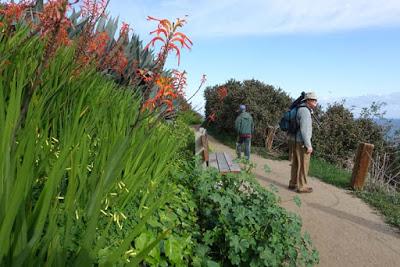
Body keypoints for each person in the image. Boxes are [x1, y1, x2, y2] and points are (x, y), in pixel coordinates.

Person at [288, 92, 318, 193]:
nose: (315, 102)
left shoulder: (299, 108)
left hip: (294, 140)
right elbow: (305, 130)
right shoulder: (305, 111)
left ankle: (293, 183)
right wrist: (308, 145)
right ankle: (302, 186)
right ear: (308, 100)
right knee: (304, 164)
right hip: (301, 142)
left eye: (315, 100)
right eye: (313, 100)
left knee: (296, 163)